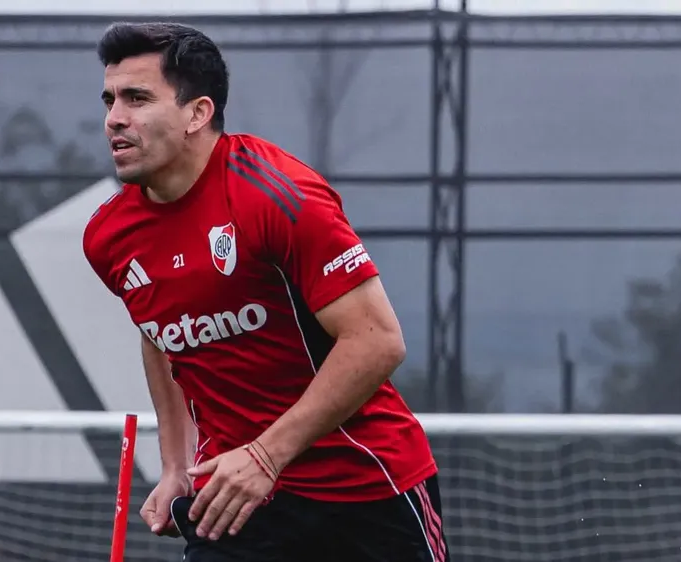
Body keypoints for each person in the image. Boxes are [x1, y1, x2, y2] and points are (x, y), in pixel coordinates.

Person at [84, 21, 450, 562]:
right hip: (235, 505)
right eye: (110, 99)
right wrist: (176, 464)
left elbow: (376, 341)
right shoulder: (108, 237)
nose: (115, 118)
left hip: (364, 492)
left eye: (137, 98)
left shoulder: (277, 196)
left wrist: (263, 456)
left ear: (197, 113)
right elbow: (159, 333)